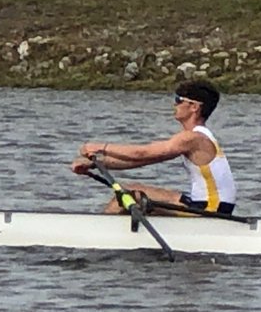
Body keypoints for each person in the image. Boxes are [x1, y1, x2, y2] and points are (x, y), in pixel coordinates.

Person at [70, 80, 237, 215]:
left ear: (194, 107)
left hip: (210, 210)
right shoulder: (197, 136)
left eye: (179, 101)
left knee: (128, 195)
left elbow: (141, 153)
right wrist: (94, 164)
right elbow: (141, 160)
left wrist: (100, 147)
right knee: (136, 192)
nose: (175, 105)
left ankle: (99, 235)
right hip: (207, 204)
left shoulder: (192, 138)